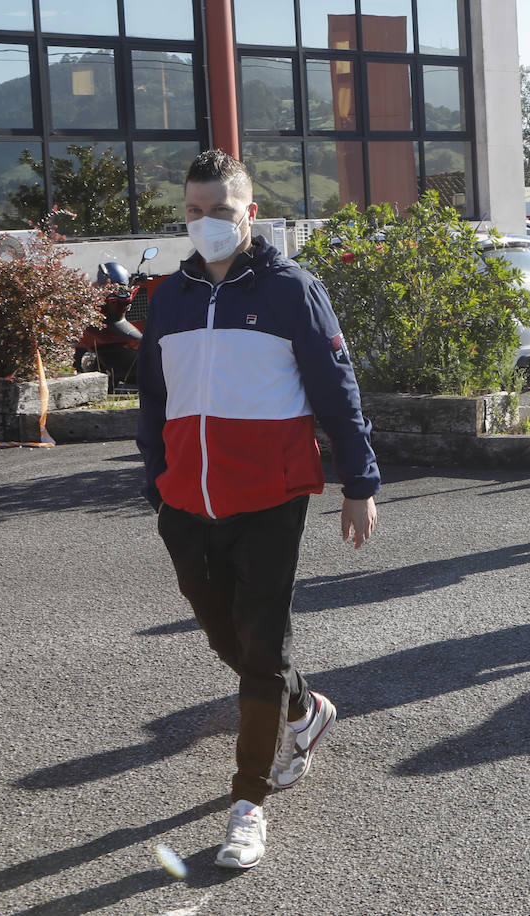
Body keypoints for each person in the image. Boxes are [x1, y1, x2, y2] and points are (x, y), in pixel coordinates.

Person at [137, 150, 380, 870]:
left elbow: (337, 387)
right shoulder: (168, 297)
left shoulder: (290, 289)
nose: (205, 222)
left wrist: (359, 481)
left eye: (220, 209)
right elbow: (154, 399)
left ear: (250, 212)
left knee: (262, 649)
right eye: (193, 210)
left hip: (271, 497)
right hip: (185, 500)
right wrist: (157, 481)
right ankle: (306, 710)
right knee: (231, 642)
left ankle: (250, 802)